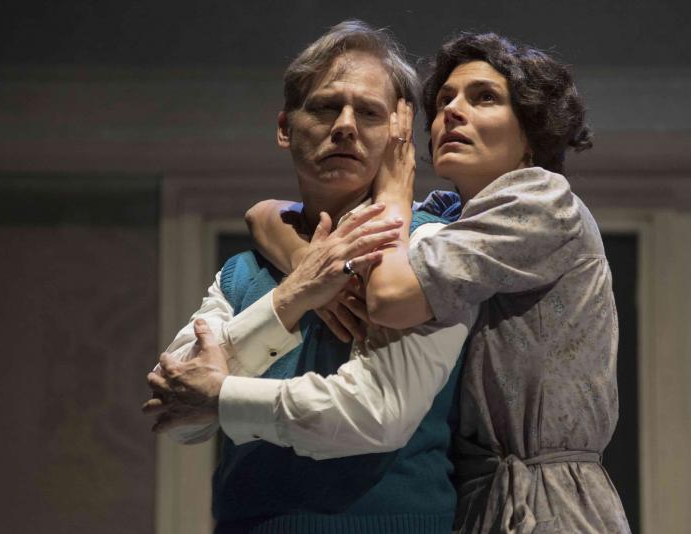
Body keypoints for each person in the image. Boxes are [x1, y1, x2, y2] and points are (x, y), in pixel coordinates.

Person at [249, 33, 631, 533]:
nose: (451, 111)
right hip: (476, 497)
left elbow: (389, 297)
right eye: (444, 99)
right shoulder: (450, 217)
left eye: (483, 97)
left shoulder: (542, 202)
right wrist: (310, 270)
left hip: (549, 505)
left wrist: (392, 194)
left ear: (532, 131)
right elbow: (265, 215)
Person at [143, 20, 473, 534]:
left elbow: (376, 417)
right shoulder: (242, 272)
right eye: (325, 107)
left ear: (399, 134)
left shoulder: (428, 246)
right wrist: (291, 298)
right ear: (285, 128)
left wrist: (222, 395)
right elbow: (177, 414)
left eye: (368, 112)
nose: (345, 126)